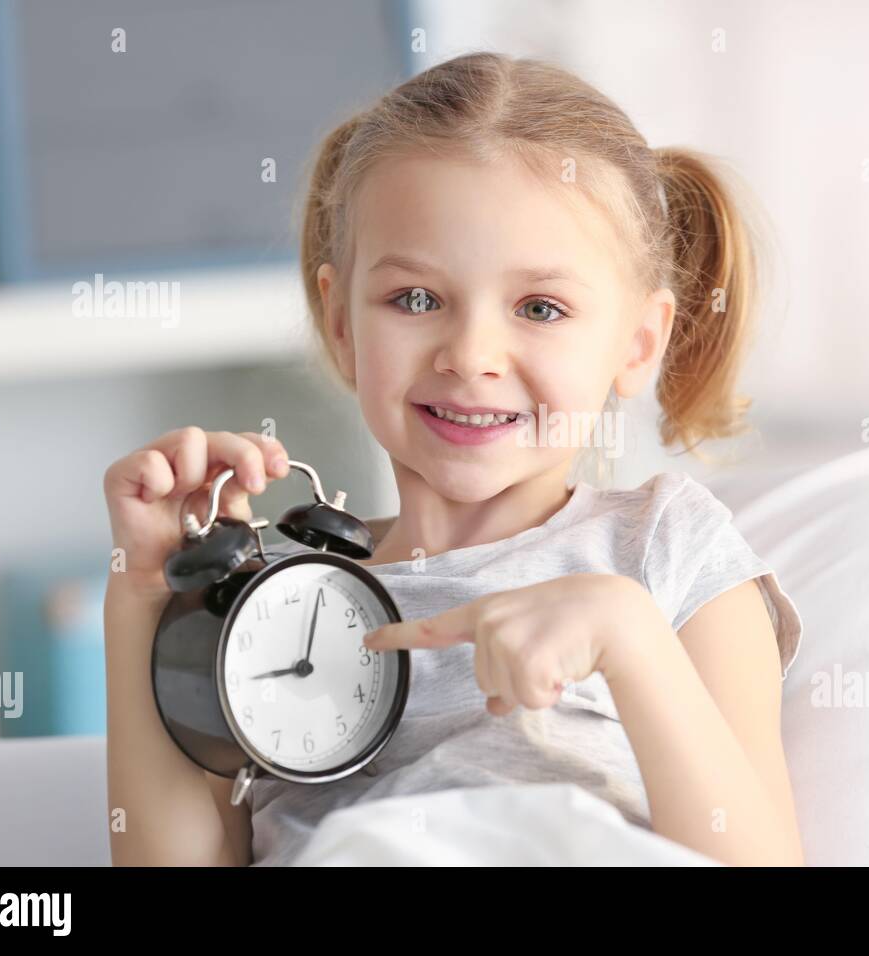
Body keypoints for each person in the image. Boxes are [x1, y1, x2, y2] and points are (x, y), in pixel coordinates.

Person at [102, 52, 803, 867]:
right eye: (417, 300)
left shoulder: (665, 548)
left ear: (638, 342)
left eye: (540, 308)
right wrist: (147, 598)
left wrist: (629, 638)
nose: (471, 355)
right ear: (340, 322)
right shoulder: (266, 590)